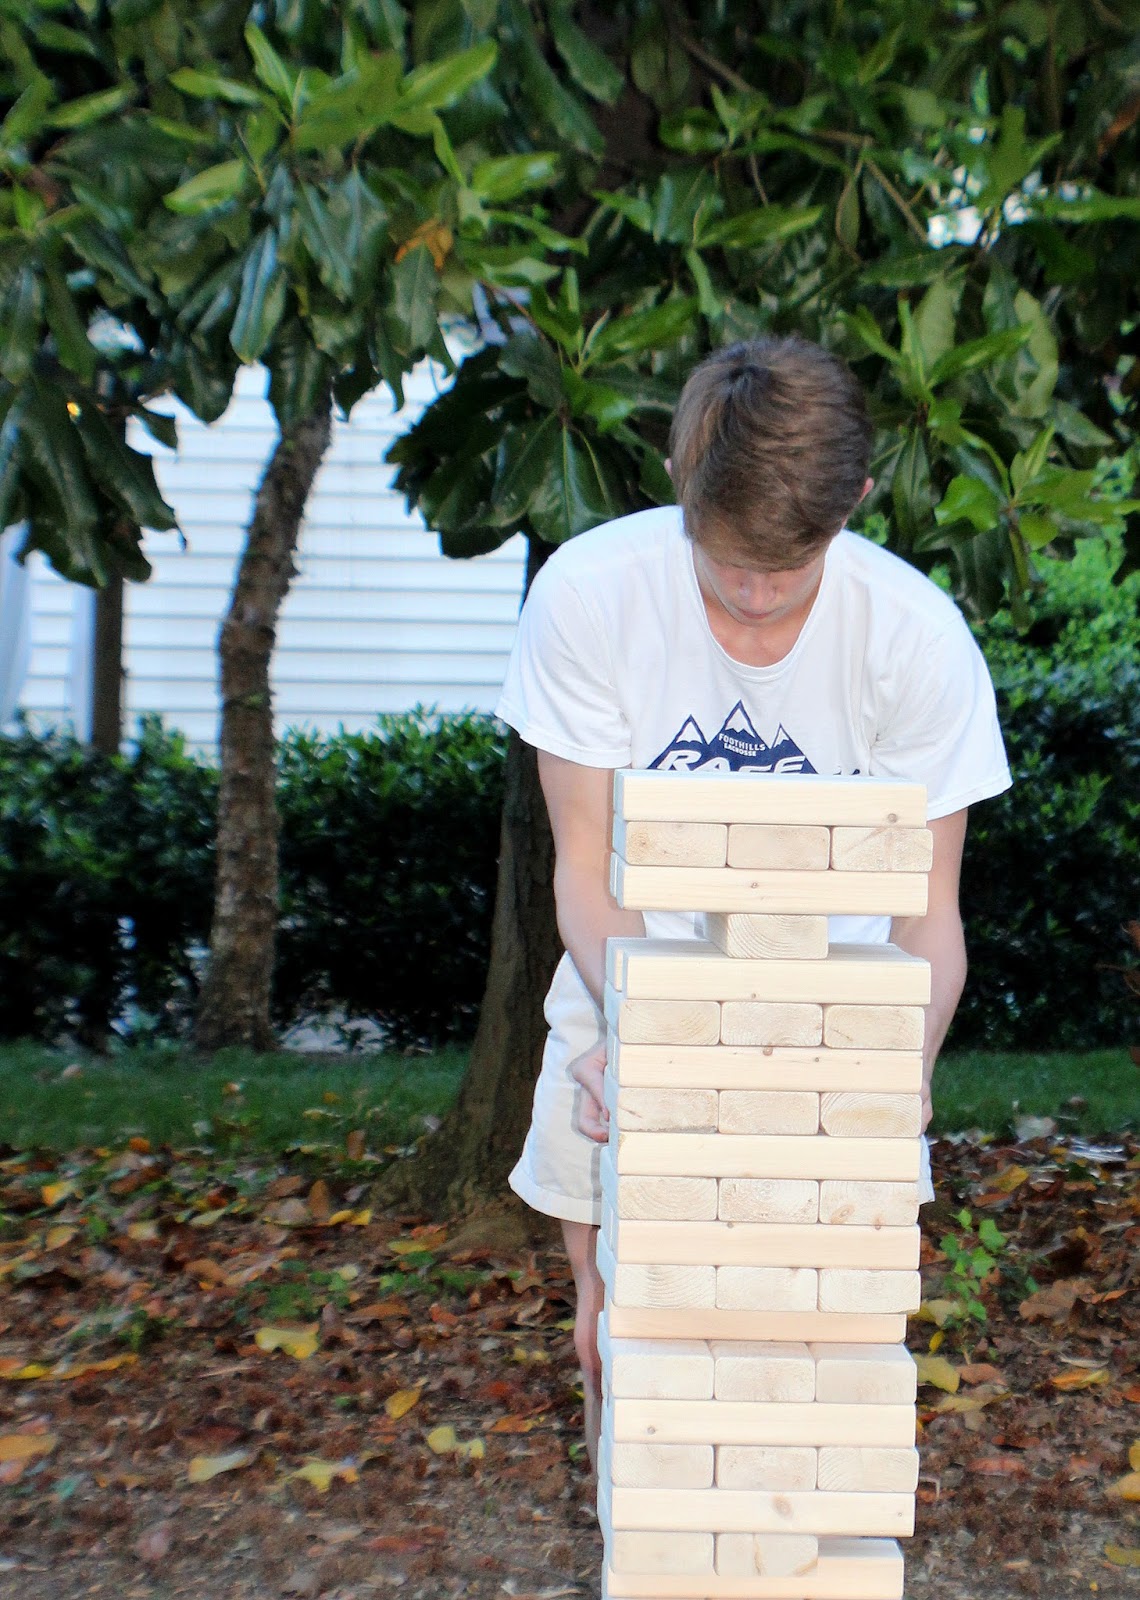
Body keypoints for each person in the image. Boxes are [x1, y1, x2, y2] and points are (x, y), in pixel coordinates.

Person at [494, 336, 1012, 1468]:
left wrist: (899, 1074)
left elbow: (931, 914)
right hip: (622, 993)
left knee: (816, 1364)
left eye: (794, 563)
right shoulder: (587, 596)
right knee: (620, 1346)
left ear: (857, 503)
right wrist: (645, 1041)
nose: (761, 594)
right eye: (733, 561)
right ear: (685, 483)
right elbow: (582, 867)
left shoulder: (918, 642)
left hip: (834, 1034)